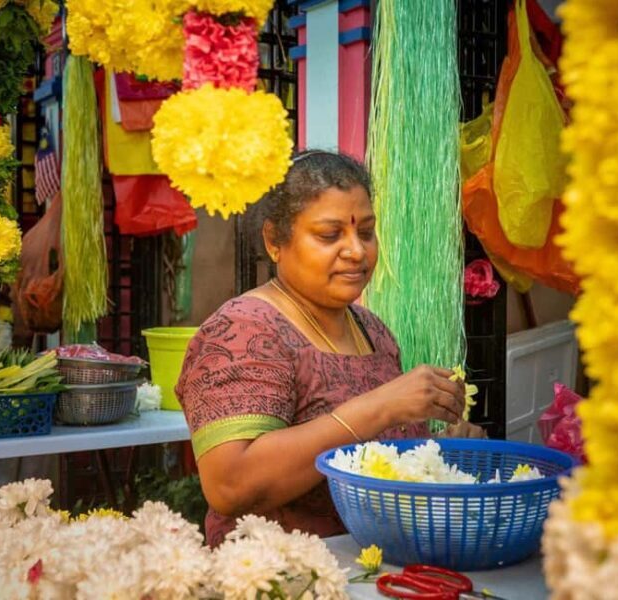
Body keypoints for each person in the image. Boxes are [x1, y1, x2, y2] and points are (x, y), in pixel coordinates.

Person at [176, 150, 484, 546]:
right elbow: (230, 485)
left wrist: (441, 453)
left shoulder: (373, 331)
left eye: (366, 232)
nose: (357, 251)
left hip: (379, 568)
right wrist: (382, 406)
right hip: (285, 578)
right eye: (329, 235)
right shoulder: (243, 330)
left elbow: (378, 462)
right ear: (274, 241)